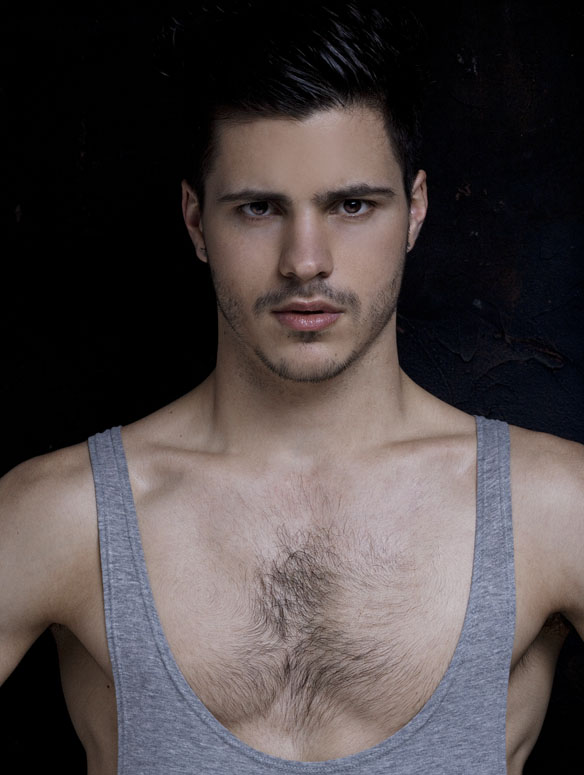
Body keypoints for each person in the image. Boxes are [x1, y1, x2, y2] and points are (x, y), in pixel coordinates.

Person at [1, 2, 582, 773]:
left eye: (351, 205)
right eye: (259, 208)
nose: (305, 260)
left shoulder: (551, 509)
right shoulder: (62, 515)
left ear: (415, 210)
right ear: (195, 220)